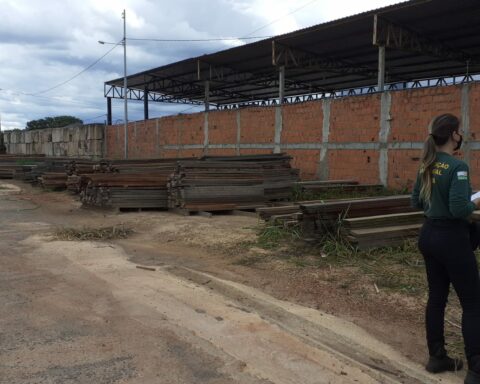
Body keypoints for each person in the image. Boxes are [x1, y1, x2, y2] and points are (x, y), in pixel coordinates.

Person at [412, 113, 480, 384]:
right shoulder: (458, 167)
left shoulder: (426, 164)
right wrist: (474, 203)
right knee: (473, 304)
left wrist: (435, 205)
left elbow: (416, 202)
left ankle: (437, 357)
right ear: (453, 134)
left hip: (429, 236)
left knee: (437, 298)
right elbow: (459, 208)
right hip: (452, 239)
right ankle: (476, 369)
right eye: (460, 131)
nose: (461, 134)